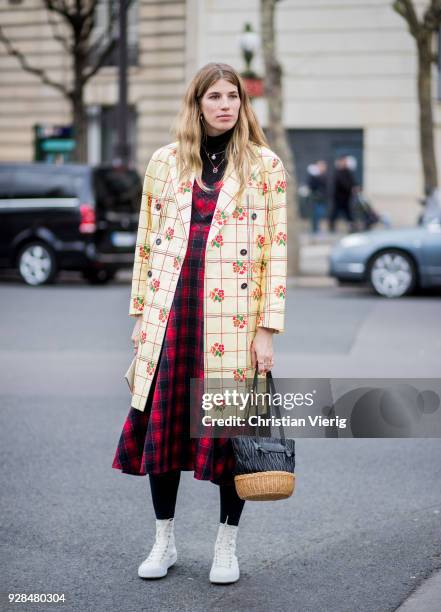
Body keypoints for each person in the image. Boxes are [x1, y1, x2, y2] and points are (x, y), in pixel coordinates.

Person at [112, 62, 287, 585]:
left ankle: (225, 547)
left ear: (242, 104)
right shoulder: (165, 163)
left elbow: (275, 253)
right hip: (172, 317)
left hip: (232, 323)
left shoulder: (264, 166)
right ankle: (163, 541)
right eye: (214, 96)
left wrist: (266, 330)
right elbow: (146, 245)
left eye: (233, 96)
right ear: (197, 102)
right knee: (163, 436)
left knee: (229, 441)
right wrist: (141, 315)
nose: (225, 105)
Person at [329, 155, 358, 233]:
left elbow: (353, 182)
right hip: (338, 197)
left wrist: (356, 187)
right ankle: (331, 227)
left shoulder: (348, 171)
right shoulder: (337, 172)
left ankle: (352, 227)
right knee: (335, 213)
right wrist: (350, 188)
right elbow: (342, 183)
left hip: (347, 197)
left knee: (348, 213)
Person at [307, 160, 328, 234]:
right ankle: (315, 228)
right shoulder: (314, 176)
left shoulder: (324, 176)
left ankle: (317, 227)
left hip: (322, 198)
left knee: (321, 213)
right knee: (316, 213)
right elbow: (311, 185)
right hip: (316, 198)